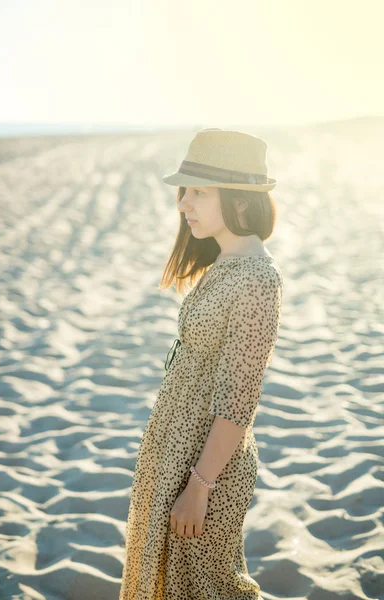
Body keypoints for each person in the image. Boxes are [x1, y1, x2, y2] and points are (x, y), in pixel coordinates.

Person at [119, 128, 284, 600]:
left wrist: (199, 487)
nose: (183, 203)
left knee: (210, 588)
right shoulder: (225, 263)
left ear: (238, 199)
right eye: (183, 190)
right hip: (173, 451)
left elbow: (238, 401)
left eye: (198, 191)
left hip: (204, 466)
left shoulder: (256, 280)